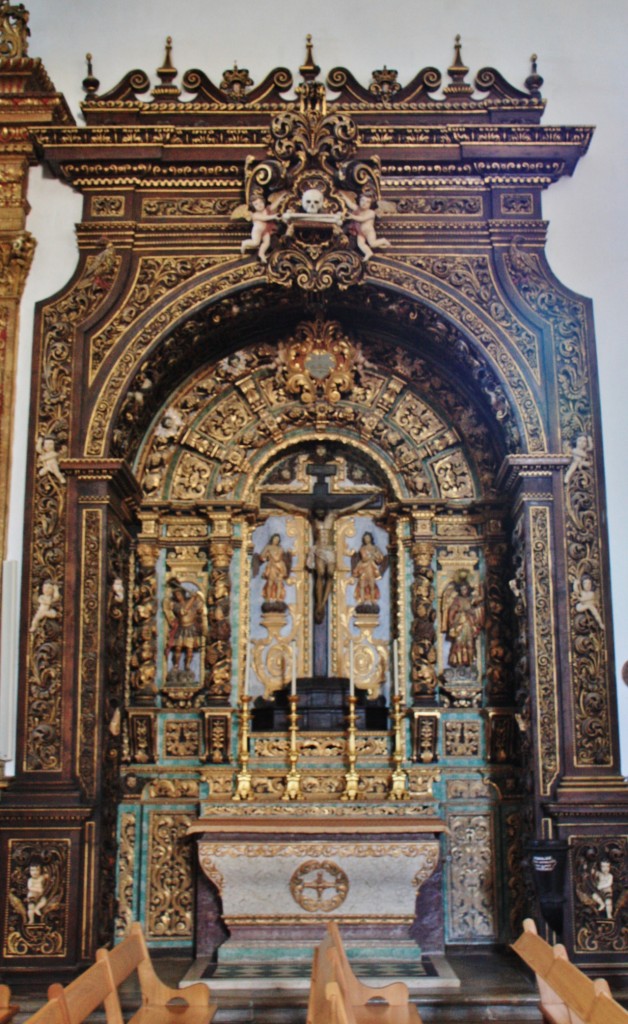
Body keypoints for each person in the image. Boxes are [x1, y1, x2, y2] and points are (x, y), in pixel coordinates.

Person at [163, 580, 207, 673]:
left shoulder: (192, 601)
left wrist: (198, 596)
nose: (178, 596)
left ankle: (187, 666)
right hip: (181, 628)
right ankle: (176, 665)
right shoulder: (176, 605)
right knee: (178, 647)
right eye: (176, 595)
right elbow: (183, 611)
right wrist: (193, 599)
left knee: (189, 649)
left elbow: (200, 607)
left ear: (183, 594)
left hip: (191, 628)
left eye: (179, 594)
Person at [445, 579, 484, 668]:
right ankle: (459, 662)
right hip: (459, 623)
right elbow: (452, 611)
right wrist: (451, 621)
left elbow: (480, 600)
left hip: (469, 623)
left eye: (465, 589)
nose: (464, 591)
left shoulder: (470, 599)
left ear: (468, 590)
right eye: (462, 589)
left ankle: (469, 662)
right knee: (458, 642)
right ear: (459, 590)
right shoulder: (457, 600)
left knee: (469, 642)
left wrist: (481, 588)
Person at [345, 192, 391, 261]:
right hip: (360, 232)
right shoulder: (358, 209)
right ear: (359, 200)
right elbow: (350, 204)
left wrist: (352, 216)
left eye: (367, 202)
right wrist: (344, 197)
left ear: (370, 204)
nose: (364, 203)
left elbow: (362, 219)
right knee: (360, 244)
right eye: (362, 200)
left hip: (369, 232)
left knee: (372, 243)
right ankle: (368, 252)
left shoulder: (371, 213)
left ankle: (383, 240)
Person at [351, 532, 386, 604]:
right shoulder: (362, 548)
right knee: (362, 584)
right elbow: (364, 558)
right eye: (365, 538)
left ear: (371, 538)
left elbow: (380, 558)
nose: (367, 539)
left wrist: (375, 556)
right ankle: (362, 601)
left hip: (371, 568)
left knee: (372, 584)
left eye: (368, 537)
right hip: (363, 568)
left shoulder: (375, 548)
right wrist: (372, 556)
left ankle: (373, 601)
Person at [258, 533, 291, 602]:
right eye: (275, 539)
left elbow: (282, 557)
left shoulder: (280, 548)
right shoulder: (268, 547)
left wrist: (289, 554)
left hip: (280, 566)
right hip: (272, 566)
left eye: (277, 539)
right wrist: (265, 557)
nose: (276, 540)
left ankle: (278, 598)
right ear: (272, 539)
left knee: (279, 584)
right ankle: (268, 598)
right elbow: (262, 556)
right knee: (270, 583)